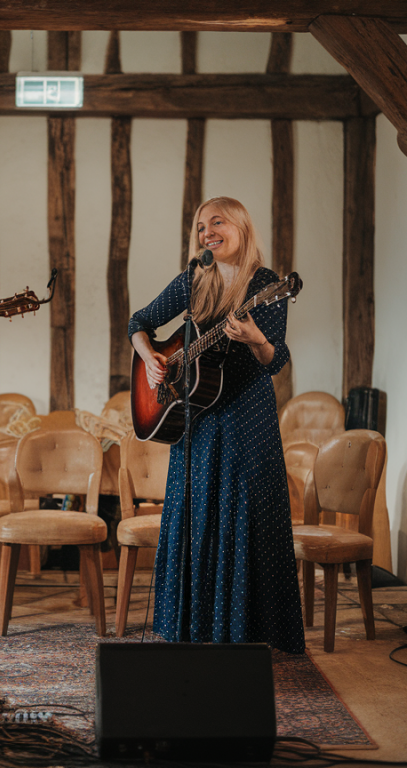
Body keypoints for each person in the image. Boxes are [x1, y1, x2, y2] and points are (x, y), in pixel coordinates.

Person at [129, 196, 305, 653]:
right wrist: (151, 359)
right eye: (201, 226)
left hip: (248, 417)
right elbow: (139, 321)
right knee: (197, 516)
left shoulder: (265, 284)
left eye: (218, 223)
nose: (208, 232)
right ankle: (193, 628)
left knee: (246, 517)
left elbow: (275, 359)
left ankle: (247, 633)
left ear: (242, 228)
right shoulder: (194, 279)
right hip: (197, 420)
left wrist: (256, 339)